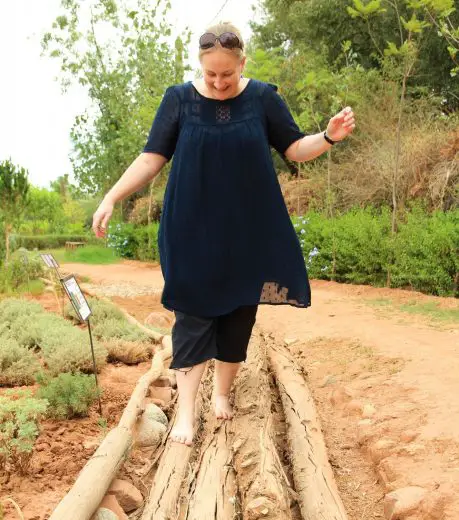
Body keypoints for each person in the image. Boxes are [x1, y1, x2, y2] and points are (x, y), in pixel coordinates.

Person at [92, 21, 355, 446]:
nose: (217, 82)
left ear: (242, 63)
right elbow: (150, 158)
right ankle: (188, 413)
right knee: (193, 314)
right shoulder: (178, 100)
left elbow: (293, 149)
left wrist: (327, 137)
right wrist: (110, 197)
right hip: (190, 228)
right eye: (210, 74)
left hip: (248, 229)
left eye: (226, 75)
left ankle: (221, 392)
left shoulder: (263, 98)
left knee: (238, 314)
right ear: (201, 65)